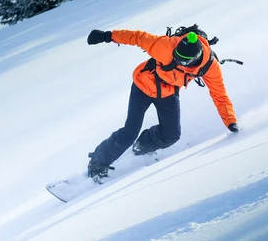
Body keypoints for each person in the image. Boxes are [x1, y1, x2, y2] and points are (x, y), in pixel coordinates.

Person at [85, 27, 239, 180]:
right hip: (143, 85)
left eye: (182, 62)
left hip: (168, 93)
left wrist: (230, 121)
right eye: (176, 57)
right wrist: (107, 36)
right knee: (129, 132)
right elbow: (137, 37)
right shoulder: (166, 46)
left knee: (172, 135)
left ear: (194, 60)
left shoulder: (209, 67)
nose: (177, 62)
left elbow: (219, 94)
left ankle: (141, 147)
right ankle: (97, 163)